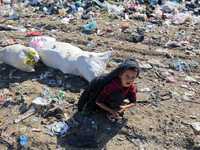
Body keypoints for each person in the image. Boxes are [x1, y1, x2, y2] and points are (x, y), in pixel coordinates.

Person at [78, 58, 140, 126]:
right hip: (103, 104)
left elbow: (134, 102)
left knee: (130, 91)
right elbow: (98, 101)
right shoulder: (113, 85)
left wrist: (125, 107)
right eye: (127, 76)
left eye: (133, 77)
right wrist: (112, 111)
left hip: (114, 100)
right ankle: (110, 115)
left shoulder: (131, 86)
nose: (129, 80)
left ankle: (115, 108)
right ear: (120, 75)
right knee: (118, 96)